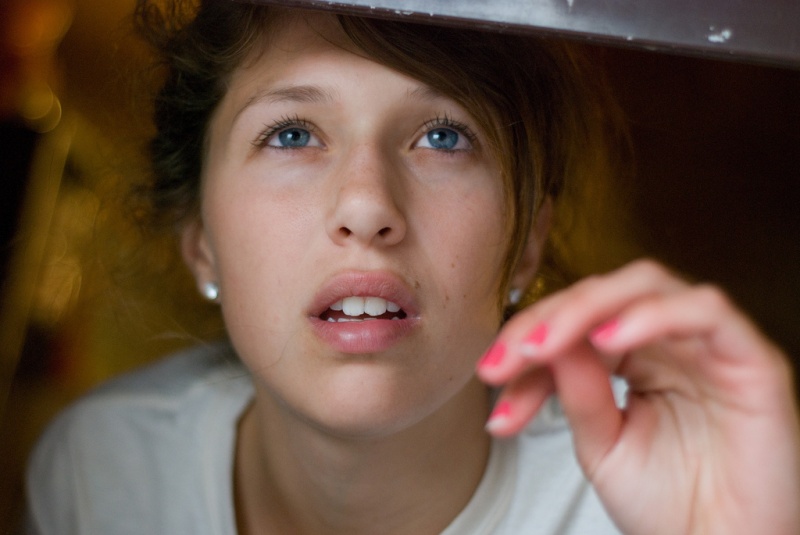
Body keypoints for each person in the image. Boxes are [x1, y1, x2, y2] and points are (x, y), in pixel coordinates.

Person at [24, 1, 800, 534]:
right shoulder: (99, 469)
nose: (366, 205)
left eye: (442, 136)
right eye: (292, 134)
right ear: (201, 239)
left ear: (528, 240)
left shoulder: (653, 490)